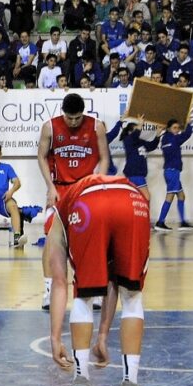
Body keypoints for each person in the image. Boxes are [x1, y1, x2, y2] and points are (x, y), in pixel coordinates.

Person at [47, 173, 149, 386]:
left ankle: (80, 385)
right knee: (131, 294)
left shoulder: (60, 214)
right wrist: (102, 334)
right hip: (132, 201)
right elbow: (113, 282)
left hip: (88, 205)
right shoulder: (118, 186)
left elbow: (60, 283)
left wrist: (55, 338)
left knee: (83, 293)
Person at [37, 93, 110, 310]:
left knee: (92, 239)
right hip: (60, 188)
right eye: (70, 118)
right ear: (63, 113)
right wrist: (50, 187)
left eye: (78, 118)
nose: (74, 122)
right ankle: (49, 290)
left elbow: (105, 156)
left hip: (86, 188)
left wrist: (100, 182)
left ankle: (94, 287)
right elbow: (41, 156)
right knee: (52, 238)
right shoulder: (50, 127)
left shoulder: (97, 126)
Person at [154, 118, 193, 231]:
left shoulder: (165, 138)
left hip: (171, 171)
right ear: (169, 129)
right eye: (175, 128)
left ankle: (183, 222)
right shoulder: (173, 139)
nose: (177, 130)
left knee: (181, 196)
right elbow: (187, 134)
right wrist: (188, 123)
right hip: (172, 172)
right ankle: (160, 222)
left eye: (178, 128)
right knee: (170, 196)